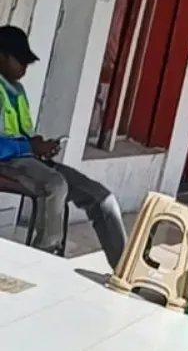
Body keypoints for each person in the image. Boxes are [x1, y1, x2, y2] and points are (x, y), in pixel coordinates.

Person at [0, 25, 127, 267]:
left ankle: (124, 270)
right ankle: (42, 261)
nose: (25, 68)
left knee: (102, 199)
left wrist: (42, 147)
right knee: (55, 185)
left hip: (31, 161)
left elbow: (24, 135)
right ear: (2, 56)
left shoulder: (16, 90)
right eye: (20, 61)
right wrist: (29, 148)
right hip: (8, 163)